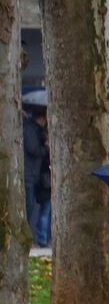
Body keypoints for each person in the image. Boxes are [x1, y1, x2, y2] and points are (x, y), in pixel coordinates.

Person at [21, 105, 44, 246]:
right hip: (29, 173)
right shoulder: (30, 129)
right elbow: (33, 149)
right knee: (28, 207)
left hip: (32, 174)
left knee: (30, 206)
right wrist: (46, 148)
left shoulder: (34, 130)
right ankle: (27, 237)